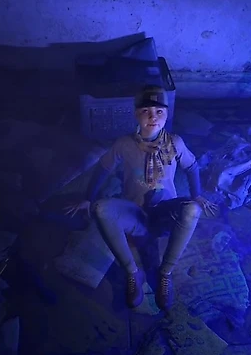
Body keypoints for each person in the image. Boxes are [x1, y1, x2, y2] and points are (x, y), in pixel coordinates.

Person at [65, 85, 217, 311]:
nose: (152, 117)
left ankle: (165, 273)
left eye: (159, 112)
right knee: (100, 209)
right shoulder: (124, 144)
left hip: (165, 211)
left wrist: (198, 196)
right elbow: (103, 168)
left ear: (166, 114)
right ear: (136, 114)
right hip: (134, 211)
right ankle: (132, 272)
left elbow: (192, 167)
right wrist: (88, 198)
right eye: (146, 111)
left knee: (193, 209)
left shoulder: (174, 143)